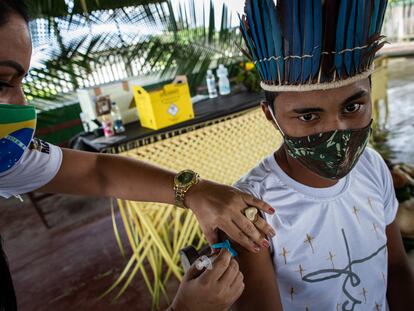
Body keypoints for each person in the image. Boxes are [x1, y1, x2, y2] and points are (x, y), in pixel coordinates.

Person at [0, 0, 275, 309]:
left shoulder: (7, 158)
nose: (21, 103)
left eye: (20, 81)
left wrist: (194, 191)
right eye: (2, 82)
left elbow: (97, 173)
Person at [230, 0, 414, 310]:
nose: (337, 131)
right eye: (308, 117)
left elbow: (395, 269)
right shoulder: (250, 208)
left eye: (352, 107)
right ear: (269, 115)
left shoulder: (372, 166)